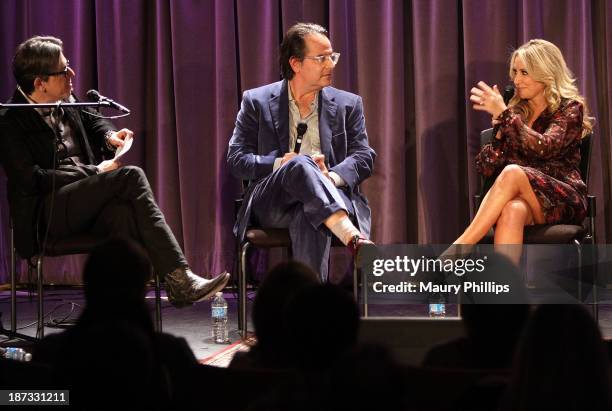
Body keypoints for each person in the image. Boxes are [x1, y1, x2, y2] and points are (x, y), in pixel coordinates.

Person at [0, 36, 229, 306]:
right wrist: (95, 170)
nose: (72, 74)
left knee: (123, 215)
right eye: (63, 71)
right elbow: (31, 179)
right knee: (130, 177)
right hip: (46, 214)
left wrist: (109, 136)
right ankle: (180, 278)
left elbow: (94, 121)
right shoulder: (10, 120)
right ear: (40, 83)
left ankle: (123, 311)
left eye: (69, 65)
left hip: (83, 202)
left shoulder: (66, 97)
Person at [227, 23, 376, 281]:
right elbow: (236, 160)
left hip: (326, 200)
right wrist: (278, 163)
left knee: (310, 214)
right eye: (321, 58)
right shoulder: (256, 101)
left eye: (332, 56)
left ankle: (310, 308)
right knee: (299, 165)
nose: (330, 64)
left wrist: (330, 176)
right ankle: (351, 235)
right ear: (295, 64)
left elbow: (364, 157)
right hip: (272, 202)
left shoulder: (348, 104)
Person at [452, 39, 592, 265]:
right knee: (512, 209)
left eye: (524, 73)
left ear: (546, 73)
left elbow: (545, 147)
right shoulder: (516, 113)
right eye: (515, 72)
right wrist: (499, 131)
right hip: (527, 201)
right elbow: (485, 168)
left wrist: (507, 117)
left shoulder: (570, 109)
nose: (516, 80)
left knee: (512, 172)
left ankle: (456, 252)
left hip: (562, 199)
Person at [34, 239, 201, 408]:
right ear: (143, 289)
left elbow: (17, 399)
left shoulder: (51, 351)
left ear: (87, 285)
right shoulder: (170, 353)